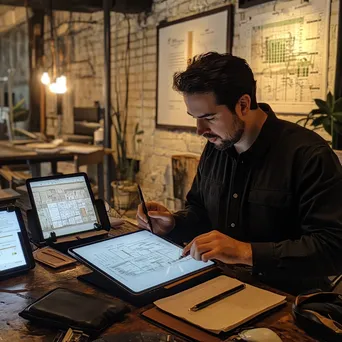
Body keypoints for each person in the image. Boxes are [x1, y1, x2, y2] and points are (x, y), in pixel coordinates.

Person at [137, 52, 342, 294]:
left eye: (209, 118)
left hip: (287, 299)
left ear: (243, 105)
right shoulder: (216, 148)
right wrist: (173, 225)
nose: (200, 131)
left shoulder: (308, 155)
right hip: (217, 284)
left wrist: (246, 252)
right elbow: (201, 211)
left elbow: (334, 247)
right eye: (195, 118)